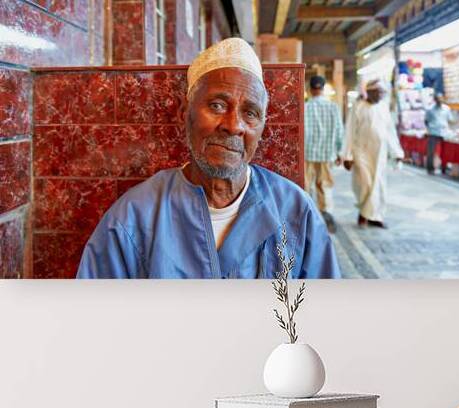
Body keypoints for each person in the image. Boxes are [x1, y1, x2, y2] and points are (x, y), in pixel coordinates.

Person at [77, 38, 340, 279]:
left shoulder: (295, 211)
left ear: (261, 127)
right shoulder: (133, 218)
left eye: (250, 113)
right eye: (217, 105)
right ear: (185, 112)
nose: (234, 125)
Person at [341, 79, 404, 229]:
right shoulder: (358, 107)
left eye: (383, 92)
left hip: (380, 154)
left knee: (378, 184)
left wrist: (397, 152)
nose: (381, 95)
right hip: (361, 152)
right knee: (365, 184)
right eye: (378, 92)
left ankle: (374, 216)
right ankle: (364, 213)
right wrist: (347, 155)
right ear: (369, 92)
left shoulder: (384, 108)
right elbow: (350, 132)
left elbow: (390, 132)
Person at [304, 75, 344, 234]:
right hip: (327, 154)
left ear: (311, 89)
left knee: (306, 186)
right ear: (323, 88)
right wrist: (339, 152)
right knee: (325, 186)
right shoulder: (333, 107)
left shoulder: (305, 107)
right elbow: (340, 131)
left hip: (306, 154)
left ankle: (306, 218)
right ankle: (326, 217)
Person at [424, 92, 454, 174]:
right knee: (431, 151)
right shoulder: (430, 109)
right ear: (435, 100)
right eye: (438, 99)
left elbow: (450, 119)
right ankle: (430, 168)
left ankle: (444, 167)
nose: (439, 100)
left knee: (446, 151)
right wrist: (429, 128)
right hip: (433, 132)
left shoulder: (447, 109)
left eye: (441, 98)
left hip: (444, 132)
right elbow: (426, 121)